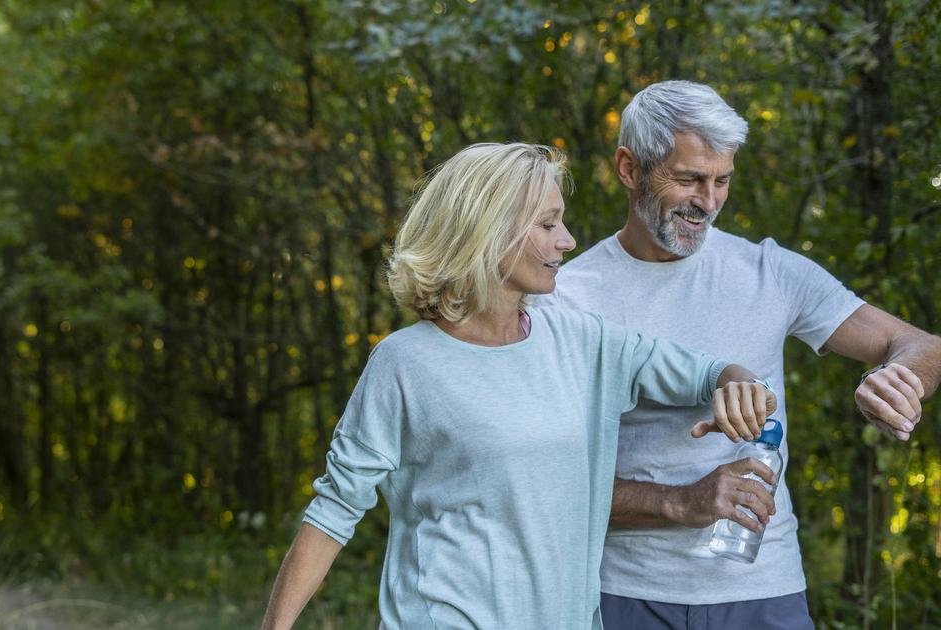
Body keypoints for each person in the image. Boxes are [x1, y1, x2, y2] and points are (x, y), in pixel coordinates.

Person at [260, 142, 777, 629]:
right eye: (547, 224)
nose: (568, 240)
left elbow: (712, 372)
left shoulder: (586, 342)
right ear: (487, 232)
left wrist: (739, 384)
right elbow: (333, 513)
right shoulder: (404, 363)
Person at [536, 80, 941, 628]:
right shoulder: (565, 298)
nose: (708, 202)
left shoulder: (770, 273)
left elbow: (922, 346)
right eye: (688, 179)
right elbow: (543, 483)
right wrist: (681, 503)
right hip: (619, 594)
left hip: (764, 590)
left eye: (722, 180)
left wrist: (898, 377)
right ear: (629, 169)